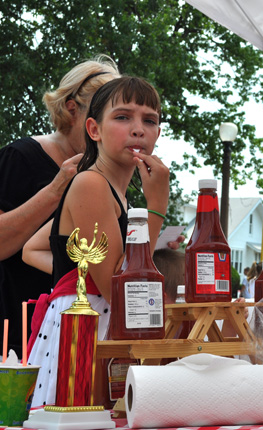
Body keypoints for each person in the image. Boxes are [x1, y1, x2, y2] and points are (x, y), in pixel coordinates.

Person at [23, 76, 169, 406]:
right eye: (123, 117)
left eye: (150, 120)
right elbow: (120, 288)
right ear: (94, 130)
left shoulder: (118, 196)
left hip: (100, 331)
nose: (138, 129)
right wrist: (157, 206)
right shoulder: (91, 184)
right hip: (83, 335)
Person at [0, 56, 120, 358]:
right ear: (72, 108)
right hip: (15, 337)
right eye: (103, 113)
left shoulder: (105, 175)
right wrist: (56, 189)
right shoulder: (20, 157)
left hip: (75, 336)